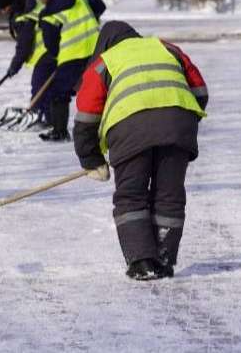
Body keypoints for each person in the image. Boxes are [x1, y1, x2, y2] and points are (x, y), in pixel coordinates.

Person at [72, 21, 207, 281]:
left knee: (131, 195)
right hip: (178, 125)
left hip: (130, 132)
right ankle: (164, 258)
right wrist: (177, 123)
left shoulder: (104, 62)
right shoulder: (167, 48)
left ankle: (142, 261)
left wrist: (91, 159)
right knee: (170, 194)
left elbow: (86, 118)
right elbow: (199, 91)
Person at [33, 0, 106, 141]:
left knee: (58, 93)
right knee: (99, 88)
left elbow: (50, 43)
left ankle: (59, 132)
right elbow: (100, 5)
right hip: (96, 49)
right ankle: (108, 127)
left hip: (73, 53)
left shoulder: (49, 14)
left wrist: (56, 55)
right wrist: (93, 19)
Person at [0, 0, 52, 128]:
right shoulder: (24, 5)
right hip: (51, 49)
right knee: (45, 87)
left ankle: (38, 117)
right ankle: (49, 119)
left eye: (3, 8)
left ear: (9, 4)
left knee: (39, 86)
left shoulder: (24, 17)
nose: (2, 12)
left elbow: (24, 46)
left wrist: (15, 66)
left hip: (47, 52)